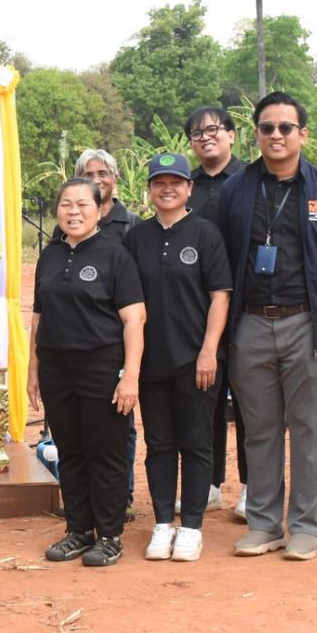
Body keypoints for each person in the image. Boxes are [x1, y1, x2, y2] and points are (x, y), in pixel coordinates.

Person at [215, 92, 317, 562]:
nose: (275, 135)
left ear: (303, 134)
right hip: (251, 326)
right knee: (259, 430)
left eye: (285, 127)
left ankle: (303, 526)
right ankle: (263, 524)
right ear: (256, 134)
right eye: (267, 128)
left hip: (309, 324)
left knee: (309, 430)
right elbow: (221, 255)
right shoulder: (236, 190)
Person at [28, 178, 145, 568]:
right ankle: (79, 529)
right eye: (65, 204)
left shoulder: (115, 256)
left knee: (104, 450)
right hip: (57, 367)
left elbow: (134, 319)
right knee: (71, 450)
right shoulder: (49, 256)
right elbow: (38, 317)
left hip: (101, 366)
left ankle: (109, 534)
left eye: (82, 204)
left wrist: (130, 376)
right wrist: (34, 369)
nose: (73, 212)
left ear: (99, 210)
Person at [123, 154, 230, 562]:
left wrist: (209, 352)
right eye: (158, 182)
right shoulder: (137, 238)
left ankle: (193, 527)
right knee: (160, 445)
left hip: (195, 362)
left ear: (189, 188)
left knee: (197, 444)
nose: (167, 189)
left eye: (176, 182)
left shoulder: (206, 234)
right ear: (149, 189)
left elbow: (220, 295)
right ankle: (163, 522)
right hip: (151, 362)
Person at [186, 104, 248, 519]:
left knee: (247, 402)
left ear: (230, 135)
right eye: (196, 133)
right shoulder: (183, 184)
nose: (206, 137)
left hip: (244, 305)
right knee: (203, 399)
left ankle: (251, 486)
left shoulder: (249, 180)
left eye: (213, 129)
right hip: (195, 310)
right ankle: (208, 485)